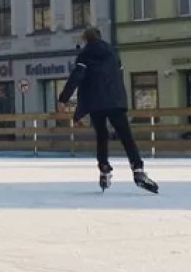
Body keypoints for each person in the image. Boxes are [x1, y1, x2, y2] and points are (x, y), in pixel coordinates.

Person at [58, 26, 158, 194]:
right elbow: (119, 76)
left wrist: (63, 99)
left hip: (96, 102)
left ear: (86, 39)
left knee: (102, 135)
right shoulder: (113, 52)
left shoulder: (85, 55)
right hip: (115, 100)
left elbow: (77, 76)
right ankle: (138, 169)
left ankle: (104, 168)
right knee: (126, 136)